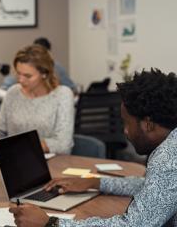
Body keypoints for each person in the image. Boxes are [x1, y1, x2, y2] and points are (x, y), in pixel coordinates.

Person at [10, 69, 177, 227]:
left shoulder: (167, 159)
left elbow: (133, 225)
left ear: (148, 124)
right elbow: (152, 187)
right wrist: (95, 182)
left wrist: (51, 223)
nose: (125, 132)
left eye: (126, 123)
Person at [0, 44, 74, 154]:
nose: (21, 80)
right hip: (16, 160)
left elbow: (63, 144)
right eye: (18, 73)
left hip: (53, 163)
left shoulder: (62, 95)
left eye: (28, 76)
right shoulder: (13, 92)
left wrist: (20, 146)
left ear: (44, 74)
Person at [2, 37, 77, 93]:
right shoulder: (23, 66)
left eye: (28, 76)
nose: (21, 80)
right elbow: (5, 87)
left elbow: (71, 89)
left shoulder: (57, 68)